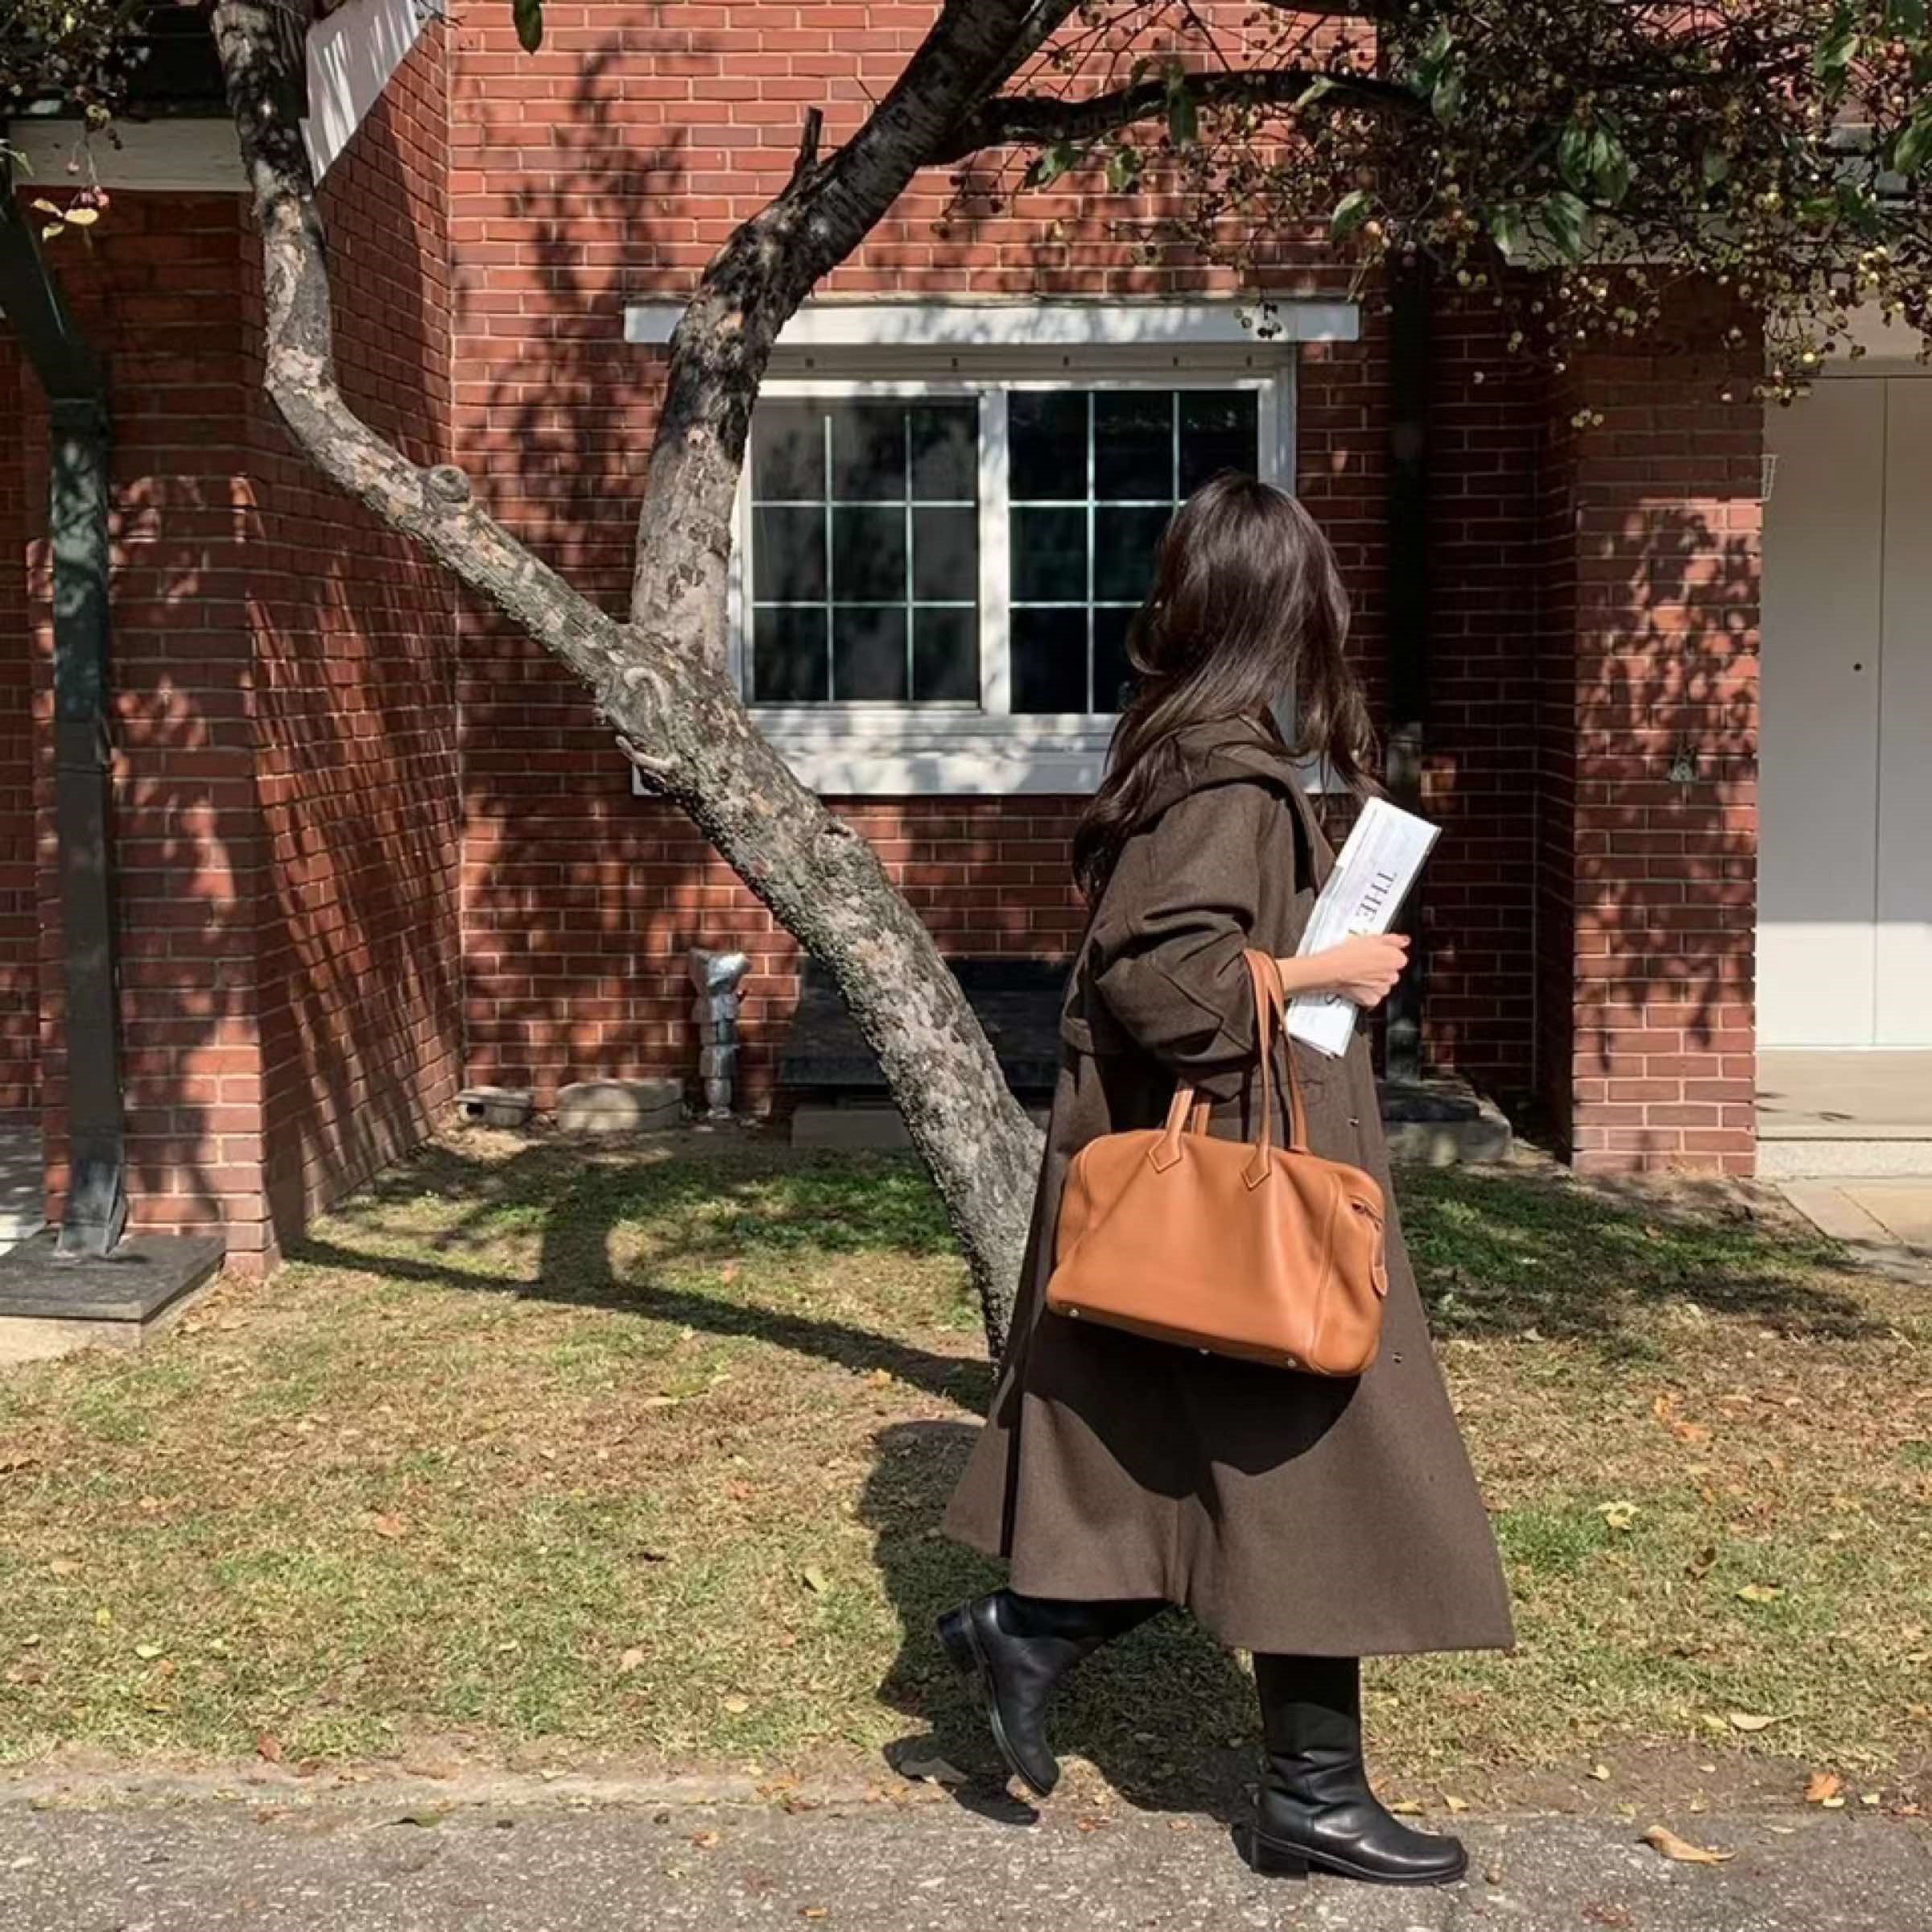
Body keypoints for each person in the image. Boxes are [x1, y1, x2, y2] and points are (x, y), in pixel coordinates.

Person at [939, 473, 1513, 1888]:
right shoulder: (1224, 779)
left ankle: (1051, 1645)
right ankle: (1299, 1791)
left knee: (1268, 1481)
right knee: (1317, 1470)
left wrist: (1317, 965)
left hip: (1247, 1175)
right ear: (1284, 611)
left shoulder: (1198, 755)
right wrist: (1323, 969)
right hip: (1258, 1189)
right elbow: (1162, 981)